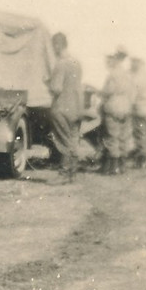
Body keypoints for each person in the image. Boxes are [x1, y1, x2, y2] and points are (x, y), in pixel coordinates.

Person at [47, 32, 83, 183]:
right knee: (73, 139)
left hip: (62, 107)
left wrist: (48, 83)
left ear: (57, 45)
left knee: (63, 141)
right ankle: (72, 174)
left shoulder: (61, 64)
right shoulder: (76, 63)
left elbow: (56, 88)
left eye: (53, 46)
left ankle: (63, 174)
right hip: (76, 107)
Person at [100, 46, 136, 174]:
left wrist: (101, 94)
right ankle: (122, 166)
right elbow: (133, 93)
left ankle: (114, 167)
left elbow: (108, 91)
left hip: (114, 105)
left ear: (115, 59)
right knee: (123, 137)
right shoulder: (127, 74)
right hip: (125, 106)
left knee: (112, 136)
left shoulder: (112, 74)